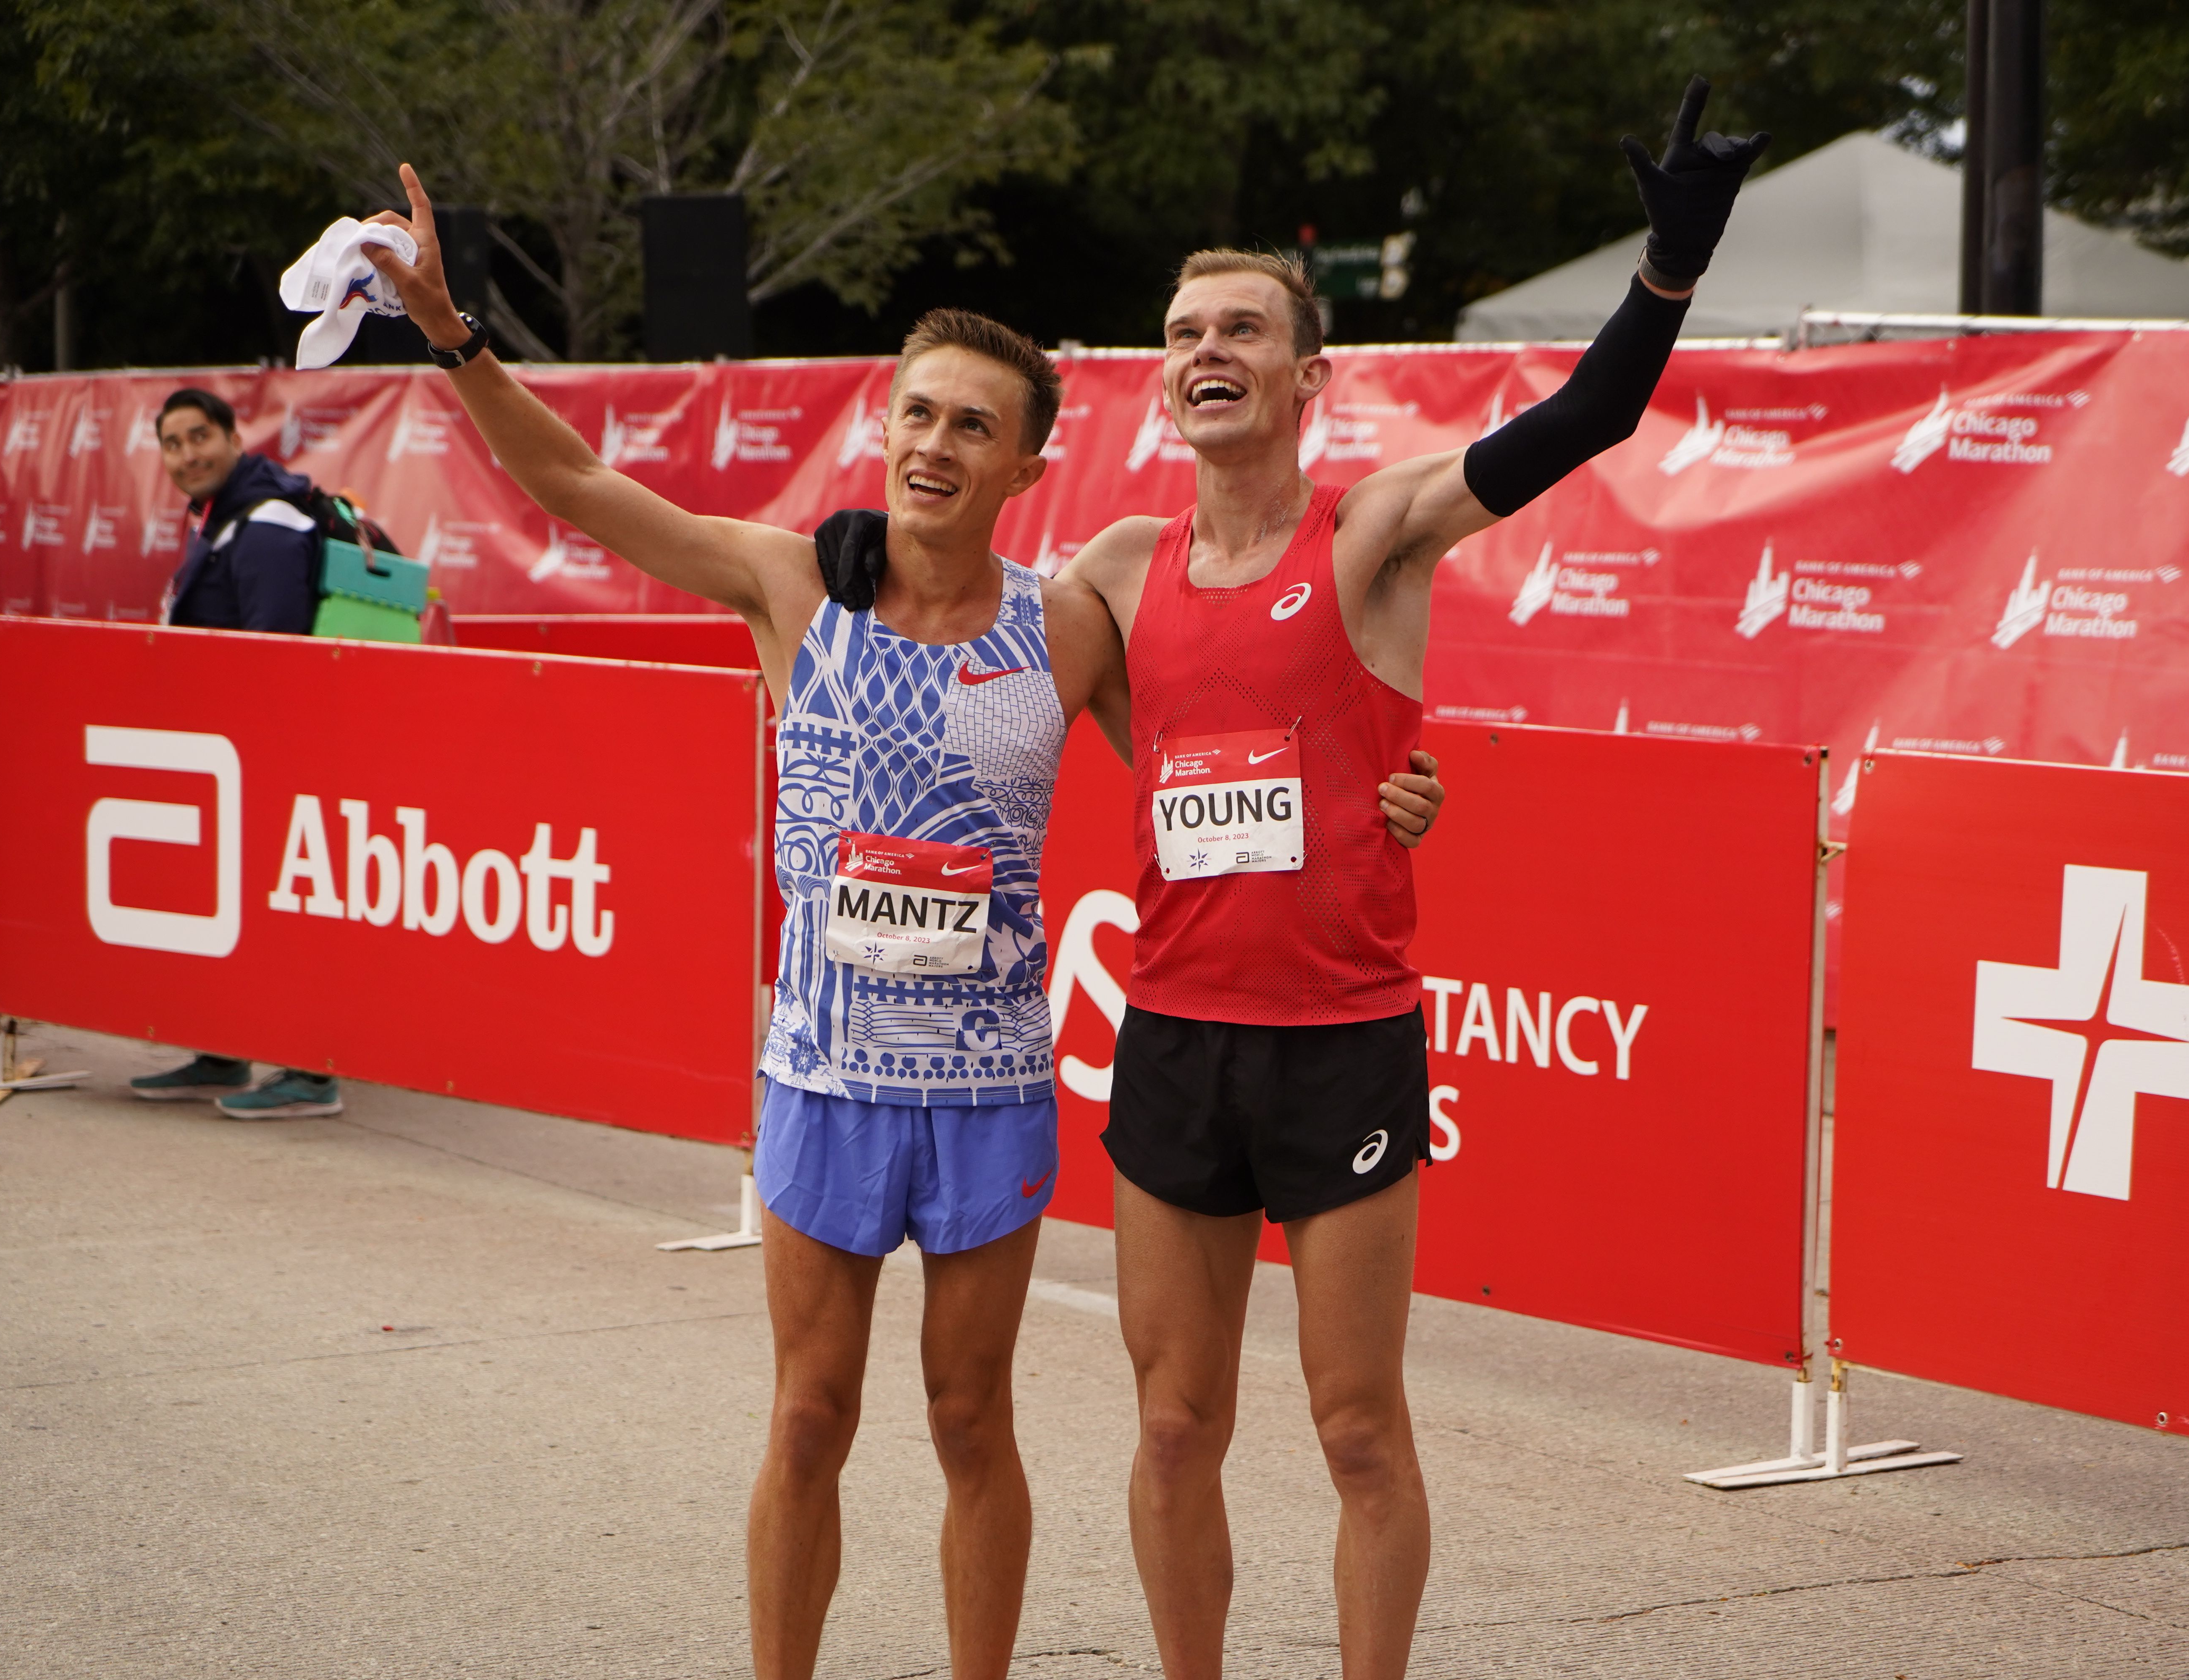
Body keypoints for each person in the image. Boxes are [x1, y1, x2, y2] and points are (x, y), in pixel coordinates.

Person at [356, 162, 1445, 1680]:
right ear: (887, 430)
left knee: (965, 1417)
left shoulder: (1064, 624)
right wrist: (455, 336)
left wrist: (1390, 795)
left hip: (990, 1089)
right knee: (808, 1416)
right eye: (917, 415)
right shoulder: (793, 582)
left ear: (1024, 469)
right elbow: (580, 491)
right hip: (822, 1077)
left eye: (972, 427)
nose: (934, 443)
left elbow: (1230, 756)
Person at [1057, 77, 1766, 1680]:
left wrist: (1665, 279)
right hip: (1171, 1033)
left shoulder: (1373, 535)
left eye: (1242, 329)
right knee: (1173, 1427)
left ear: (1309, 375)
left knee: (1360, 1429)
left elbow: (1583, 426)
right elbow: (988, 677)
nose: (1207, 351)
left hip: (1338, 1038)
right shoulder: (1109, 572)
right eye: (1184, 331)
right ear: (1161, 375)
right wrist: (848, 556)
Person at [130, 388, 345, 1120]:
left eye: (200, 438)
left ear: (232, 437)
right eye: (173, 444)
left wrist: (260, 751)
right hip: (229, 755)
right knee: (234, 911)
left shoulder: (267, 524)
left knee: (286, 913)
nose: (188, 456)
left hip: (277, 755)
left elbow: (274, 659)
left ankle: (311, 1073)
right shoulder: (220, 518)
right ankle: (225, 1049)